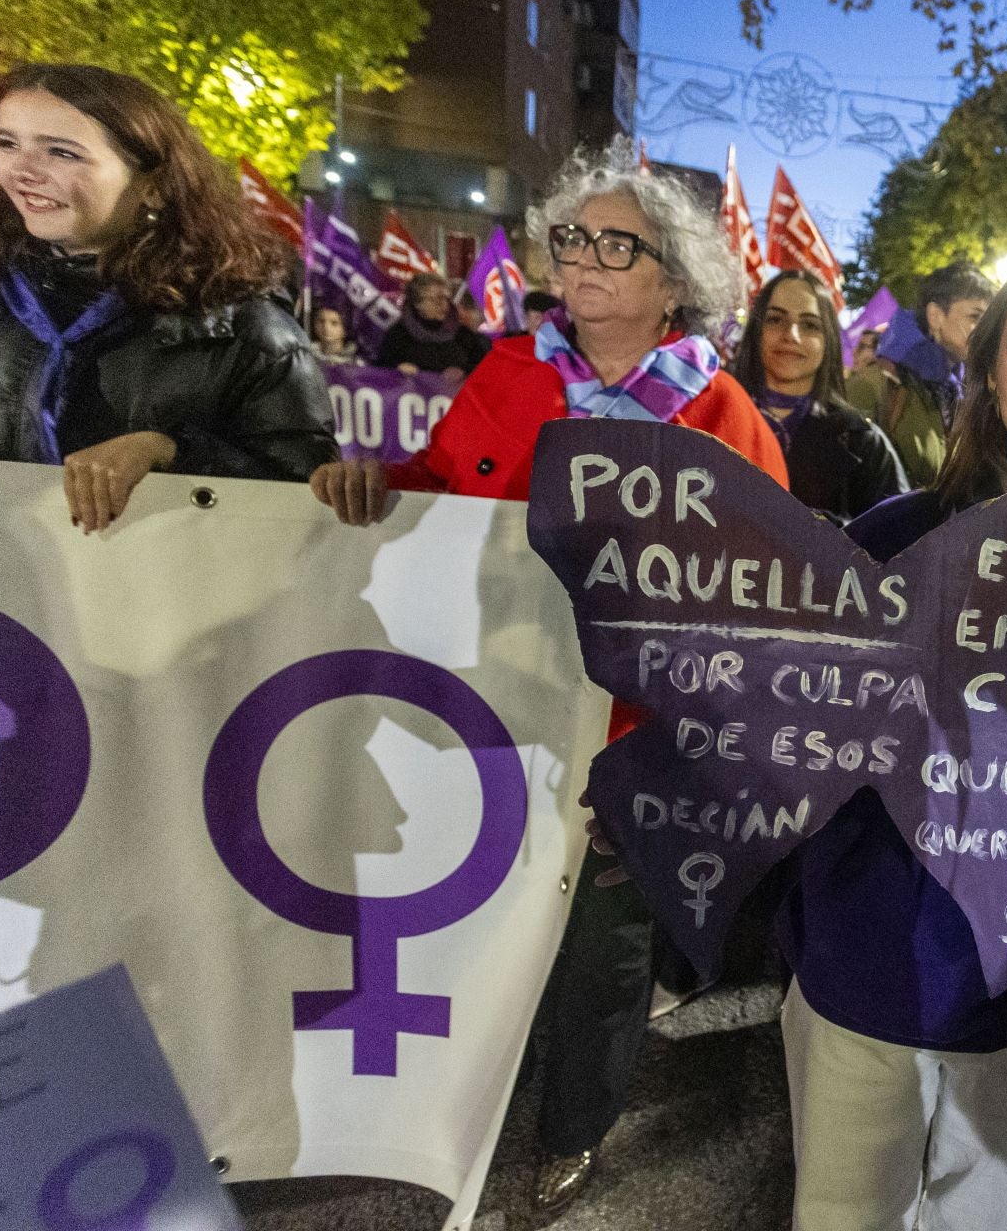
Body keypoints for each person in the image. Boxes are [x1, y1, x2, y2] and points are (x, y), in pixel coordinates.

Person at [591, 226, 1007, 1229]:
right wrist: (674, 802)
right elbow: (770, 716)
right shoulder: (886, 542)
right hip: (862, 984)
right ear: (989, 367)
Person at [310, 136, 785, 1220]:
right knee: (470, 914)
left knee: (603, 953)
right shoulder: (510, 373)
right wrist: (369, 481)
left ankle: (573, 1126)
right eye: (573, 237)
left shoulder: (728, 421)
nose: (584, 259)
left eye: (618, 245)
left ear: (675, 281)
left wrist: (695, 756)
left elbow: (764, 614)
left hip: (629, 743)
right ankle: (457, 1102)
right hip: (488, 712)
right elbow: (432, 489)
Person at [0, 64, 336, 531]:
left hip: (168, 596)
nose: (23, 171)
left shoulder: (243, 324)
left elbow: (307, 506)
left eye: (62, 152)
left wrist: (171, 454)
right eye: (8, 144)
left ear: (153, 186)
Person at [733, 269, 906, 522]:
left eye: (810, 325)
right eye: (775, 319)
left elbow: (895, 545)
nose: (791, 336)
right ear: (756, 331)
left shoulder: (864, 444)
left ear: (829, 342)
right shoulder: (712, 420)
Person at [848, 262, 993, 488]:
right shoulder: (874, 386)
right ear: (935, 316)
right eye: (975, 317)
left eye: (988, 321)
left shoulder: (962, 392)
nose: (985, 330)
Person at [374, 271, 491, 377]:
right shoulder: (398, 335)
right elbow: (380, 373)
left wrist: (464, 372)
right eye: (436, 299)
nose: (444, 305)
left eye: (446, 298)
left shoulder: (463, 335)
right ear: (417, 303)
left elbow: (486, 368)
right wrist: (397, 370)